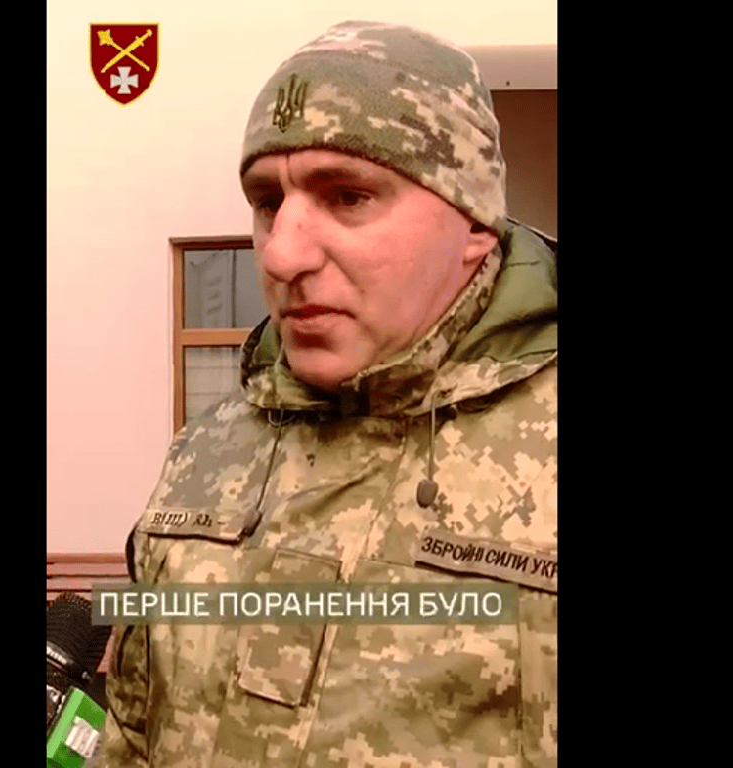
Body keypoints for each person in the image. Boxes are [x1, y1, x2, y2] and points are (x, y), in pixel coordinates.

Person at [103, 19, 557, 767]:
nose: (282, 254)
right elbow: (129, 733)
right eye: (266, 202)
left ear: (474, 222)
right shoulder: (205, 451)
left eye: (348, 196)